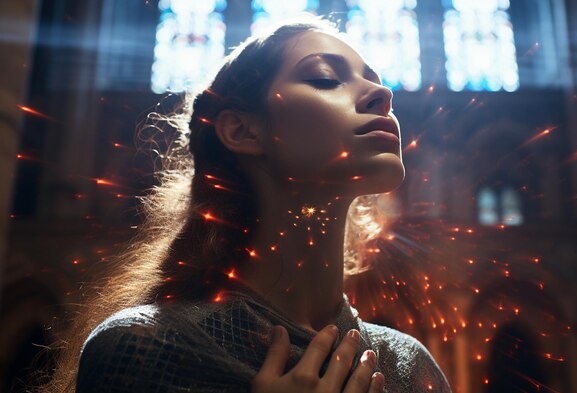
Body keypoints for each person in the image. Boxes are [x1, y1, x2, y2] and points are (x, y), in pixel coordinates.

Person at [41, 16, 451, 393]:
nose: (383, 94)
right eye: (325, 78)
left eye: (376, 81)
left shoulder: (409, 367)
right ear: (242, 130)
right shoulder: (146, 349)